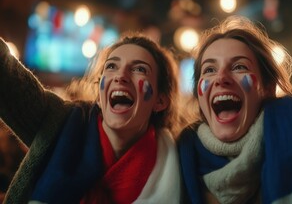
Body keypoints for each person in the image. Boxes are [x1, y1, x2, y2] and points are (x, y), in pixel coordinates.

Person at [178, 15, 292, 204]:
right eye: (209, 70)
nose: (221, 78)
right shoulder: (179, 156)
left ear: (268, 88)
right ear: (198, 94)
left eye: (239, 66)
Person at [0, 34, 182, 203]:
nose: (120, 76)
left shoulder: (183, 164)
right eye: (111, 66)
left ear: (160, 100)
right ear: (99, 92)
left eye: (139, 69)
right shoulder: (58, 122)